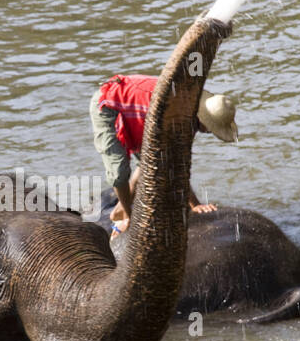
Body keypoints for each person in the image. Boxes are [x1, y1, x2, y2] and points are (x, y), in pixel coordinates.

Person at [90, 74, 238, 230]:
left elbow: (172, 159)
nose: (209, 132)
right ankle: (127, 215)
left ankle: (120, 208)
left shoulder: (191, 115)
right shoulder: (173, 115)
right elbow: (172, 163)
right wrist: (195, 204)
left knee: (150, 161)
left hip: (140, 105)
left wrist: (194, 204)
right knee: (119, 171)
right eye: (211, 127)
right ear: (203, 118)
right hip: (108, 102)